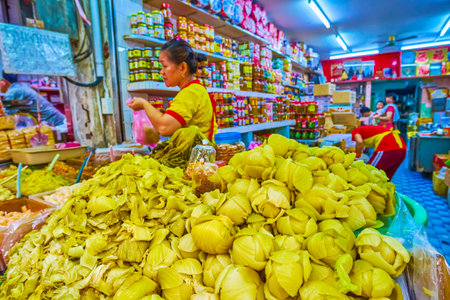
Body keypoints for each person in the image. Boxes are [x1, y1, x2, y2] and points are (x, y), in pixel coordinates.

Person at [127, 39, 217, 140]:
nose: (161, 72)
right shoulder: (196, 89)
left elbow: (164, 128)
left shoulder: (190, 93)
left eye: (165, 66)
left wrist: (144, 104)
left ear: (183, 68)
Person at [0, 72, 67, 132]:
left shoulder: (13, 91)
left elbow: (8, 118)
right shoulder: (20, 86)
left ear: (4, 81)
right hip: (59, 121)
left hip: (57, 126)